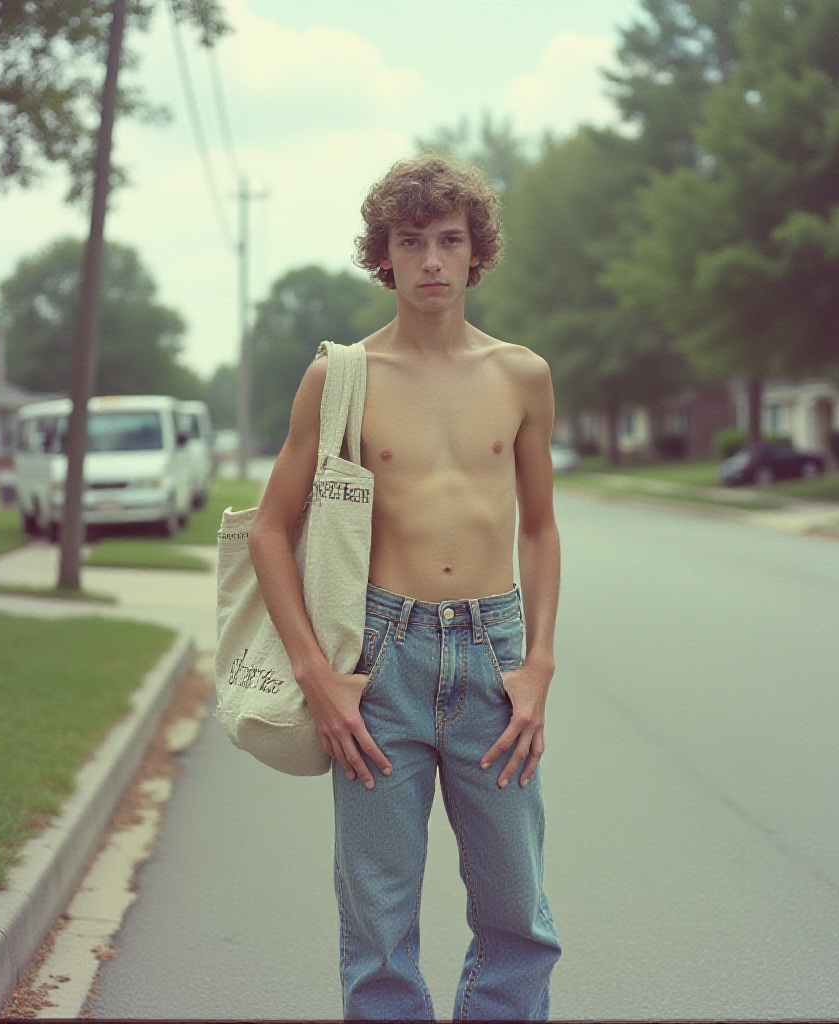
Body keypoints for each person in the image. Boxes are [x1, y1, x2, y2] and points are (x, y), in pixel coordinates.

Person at [247, 155, 562, 1021]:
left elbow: (539, 526)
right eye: (410, 241)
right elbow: (271, 528)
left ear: (476, 253)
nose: (430, 260)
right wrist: (318, 676)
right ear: (383, 254)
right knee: (379, 929)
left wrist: (536, 663)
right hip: (378, 660)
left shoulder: (521, 375)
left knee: (518, 915)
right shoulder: (342, 378)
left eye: (449, 241)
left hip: (494, 659)